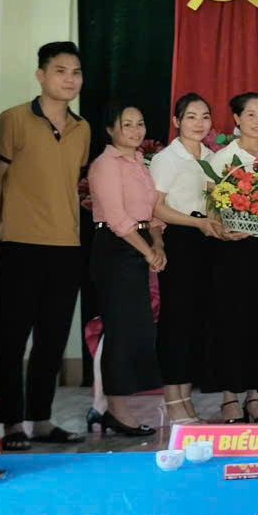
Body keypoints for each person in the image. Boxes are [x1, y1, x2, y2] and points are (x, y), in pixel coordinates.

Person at [0, 41, 90, 450]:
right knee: (11, 338)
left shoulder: (82, 128)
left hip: (66, 245)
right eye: (60, 71)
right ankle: (12, 422)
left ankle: (41, 419)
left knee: (52, 339)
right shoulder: (13, 119)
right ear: (41, 75)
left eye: (76, 72)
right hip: (19, 243)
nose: (70, 80)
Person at [203, 92, 258, 423]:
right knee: (232, 321)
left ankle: (255, 396)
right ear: (237, 119)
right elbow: (211, 206)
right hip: (232, 250)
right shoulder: (222, 159)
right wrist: (224, 228)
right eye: (250, 114)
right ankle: (229, 397)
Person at [148, 93, 231, 425]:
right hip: (180, 240)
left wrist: (219, 225)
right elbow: (156, 207)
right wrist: (198, 223)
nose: (199, 123)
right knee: (176, 322)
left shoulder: (211, 157)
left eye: (205, 116)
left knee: (196, 322)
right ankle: (172, 400)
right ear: (176, 121)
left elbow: (214, 203)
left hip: (205, 242)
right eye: (192, 117)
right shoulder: (166, 159)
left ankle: (186, 400)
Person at [86, 103, 162, 436]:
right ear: (110, 129)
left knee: (136, 329)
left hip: (140, 244)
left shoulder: (140, 163)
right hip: (115, 249)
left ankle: (116, 407)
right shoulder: (105, 165)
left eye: (139, 123)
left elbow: (151, 210)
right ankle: (114, 411)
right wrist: (148, 251)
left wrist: (157, 244)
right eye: (126, 124)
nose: (135, 130)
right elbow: (117, 218)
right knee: (120, 330)